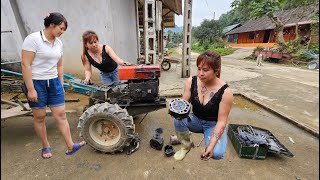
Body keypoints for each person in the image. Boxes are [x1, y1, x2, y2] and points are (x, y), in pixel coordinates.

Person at [21, 12, 86, 159]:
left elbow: (60, 65)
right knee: (40, 117)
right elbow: (25, 64)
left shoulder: (58, 43)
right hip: (36, 83)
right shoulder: (33, 39)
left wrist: (61, 83)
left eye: (64, 30)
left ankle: (70, 146)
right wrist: (31, 89)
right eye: (61, 29)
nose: (62, 32)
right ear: (52, 25)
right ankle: (45, 146)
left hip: (54, 82)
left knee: (61, 115)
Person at [172, 51, 233, 161]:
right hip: (195, 120)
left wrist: (210, 146)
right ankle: (186, 146)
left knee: (217, 153)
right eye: (199, 68)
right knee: (177, 119)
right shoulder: (191, 81)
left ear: (216, 70)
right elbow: (183, 105)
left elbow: (221, 122)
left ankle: (210, 138)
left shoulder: (226, 92)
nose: (200, 73)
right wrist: (176, 110)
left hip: (213, 125)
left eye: (205, 70)